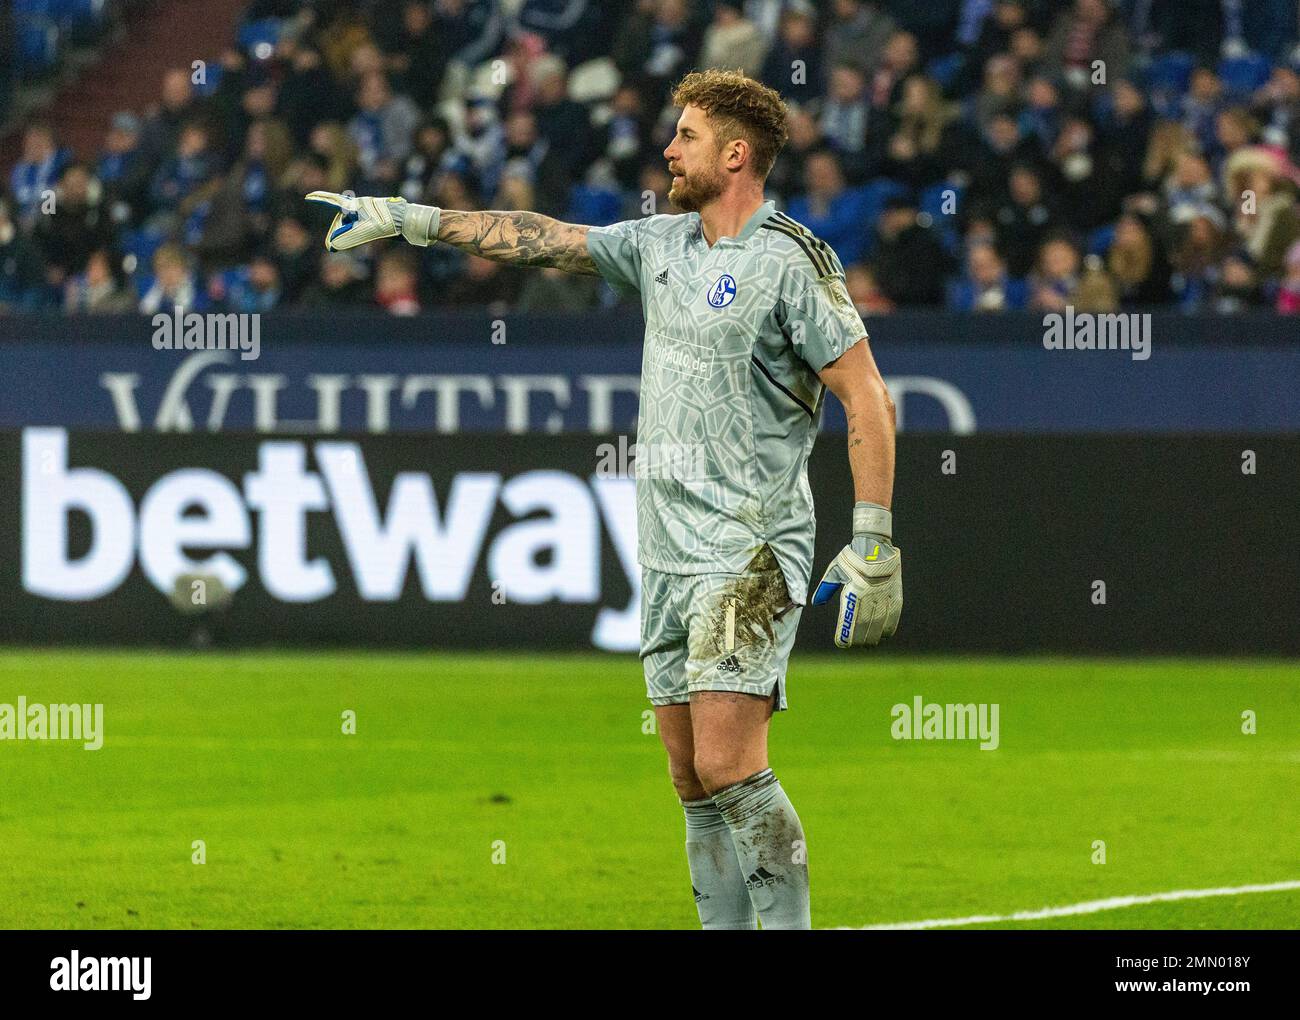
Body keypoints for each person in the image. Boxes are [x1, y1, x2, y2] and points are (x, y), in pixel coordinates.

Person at [305, 68, 902, 930]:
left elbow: (868, 396)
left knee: (733, 764)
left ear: (736, 154)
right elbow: (547, 238)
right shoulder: (662, 245)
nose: (669, 148)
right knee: (691, 776)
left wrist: (874, 539)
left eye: (688, 136)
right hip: (662, 553)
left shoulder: (790, 261)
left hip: (751, 550)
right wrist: (414, 220)